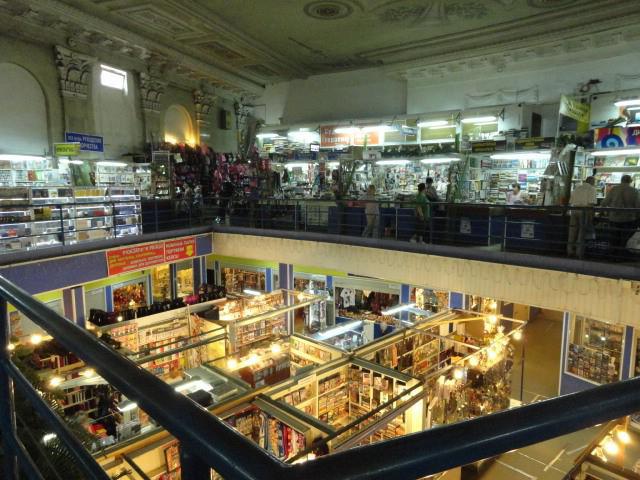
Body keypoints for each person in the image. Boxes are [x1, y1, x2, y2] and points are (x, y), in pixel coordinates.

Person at [602, 174, 640, 254]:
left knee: (614, 238)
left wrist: (606, 212)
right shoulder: (634, 191)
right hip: (628, 219)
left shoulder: (614, 189)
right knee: (625, 238)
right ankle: (621, 254)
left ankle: (613, 254)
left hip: (614, 218)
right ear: (630, 181)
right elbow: (638, 206)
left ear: (621, 180)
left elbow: (605, 202)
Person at [567, 176, 597, 258]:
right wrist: (591, 216)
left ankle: (569, 250)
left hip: (574, 210)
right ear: (592, 182)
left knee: (572, 231)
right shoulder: (592, 189)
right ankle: (578, 252)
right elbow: (591, 203)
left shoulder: (577, 188)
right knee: (581, 232)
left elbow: (571, 201)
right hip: (584, 211)